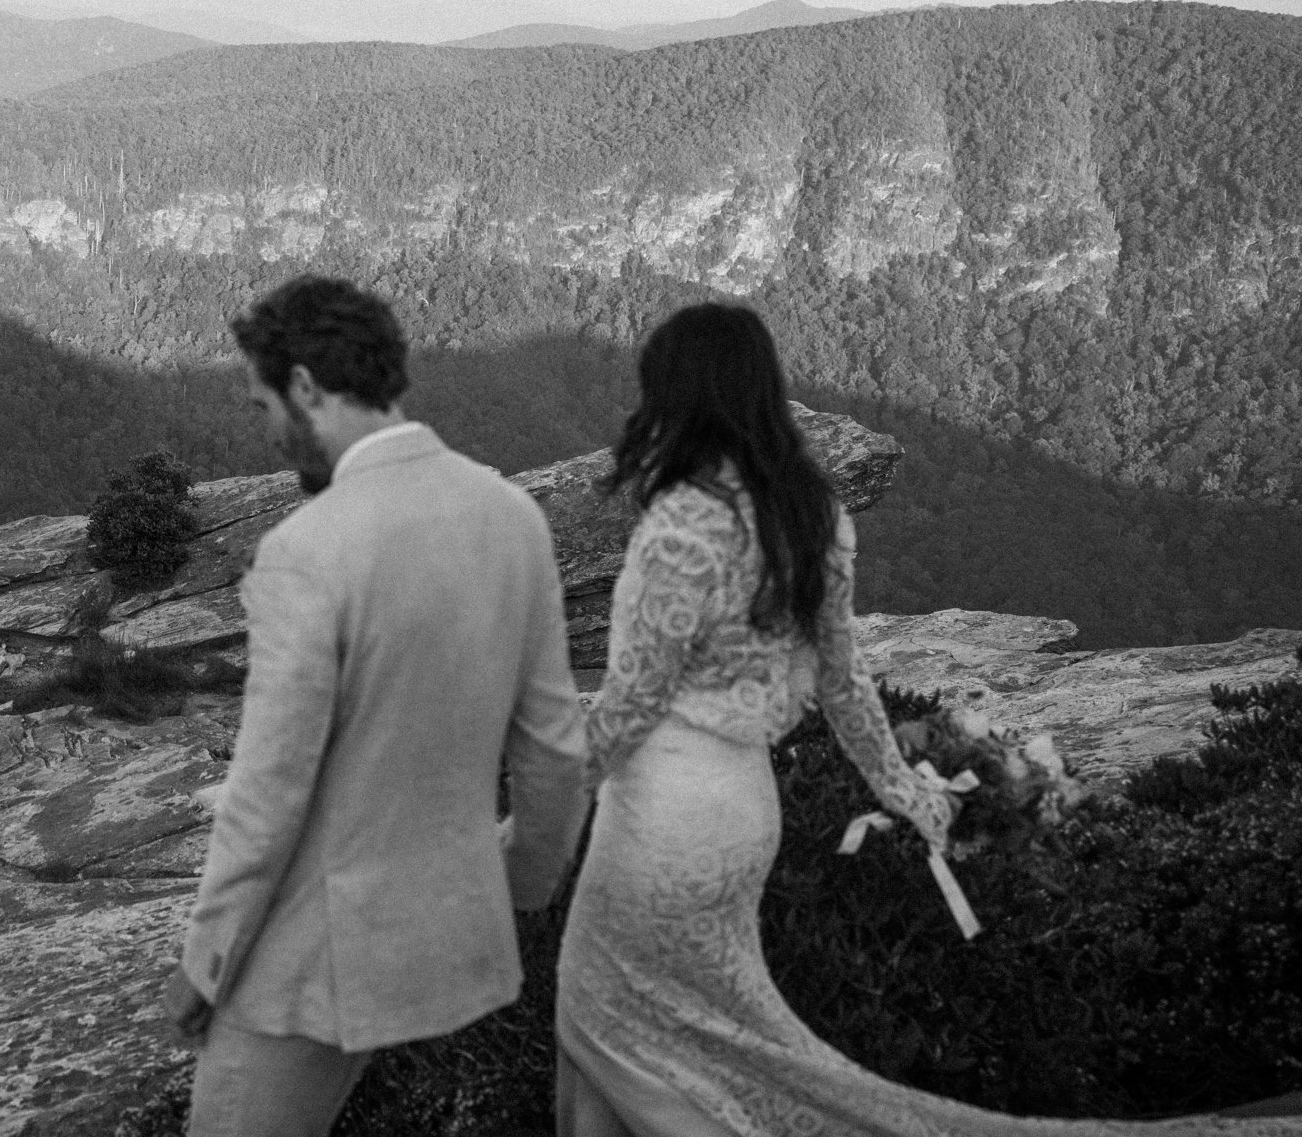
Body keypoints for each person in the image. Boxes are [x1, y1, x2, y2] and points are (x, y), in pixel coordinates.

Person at [556, 303, 1276, 1136]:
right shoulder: (811, 517)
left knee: (622, 1039)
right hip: (744, 813)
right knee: (681, 1043)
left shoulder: (678, 527)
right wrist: (915, 796)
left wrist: (530, 802)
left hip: (659, 821)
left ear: (674, 399)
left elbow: (633, 701)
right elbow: (847, 684)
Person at [165, 273, 590, 1137]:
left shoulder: (306, 551)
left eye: (264, 406)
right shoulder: (512, 516)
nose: (271, 434)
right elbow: (554, 748)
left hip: (310, 963)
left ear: (308, 387)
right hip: (446, 943)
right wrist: (516, 887)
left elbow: (268, 791)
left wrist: (206, 962)